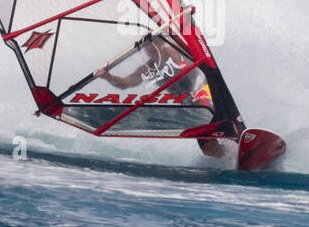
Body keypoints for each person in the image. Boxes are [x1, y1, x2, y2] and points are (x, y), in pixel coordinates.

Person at [94, 36, 229, 158]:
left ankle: (234, 127)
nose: (149, 52)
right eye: (147, 50)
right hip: (189, 103)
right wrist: (107, 77)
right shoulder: (148, 68)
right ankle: (231, 155)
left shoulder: (174, 52)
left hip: (203, 88)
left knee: (210, 114)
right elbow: (125, 84)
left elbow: (192, 63)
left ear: (161, 45)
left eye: (152, 48)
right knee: (208, 148)